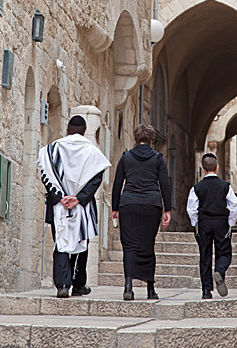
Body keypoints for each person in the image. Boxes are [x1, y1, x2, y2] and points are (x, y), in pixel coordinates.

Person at [37, 115, 111, 298]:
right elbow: (96, 178)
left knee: (60, 243)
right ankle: (78, 284)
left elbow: (45, 175)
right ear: (85, 131)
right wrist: (78, 198)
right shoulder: (92, 152)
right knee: (80, 243)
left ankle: (63, 284)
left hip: (58, 207)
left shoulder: (51, 149)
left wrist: (60, 197)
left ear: (67, 129)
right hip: (81, 207)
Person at [112, 124, 171, 301]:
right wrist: (167, 209)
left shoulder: (126, 158)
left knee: (129, 246)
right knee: (147, 245)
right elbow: (165, 185)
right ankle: (150, 289)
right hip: (151, 206)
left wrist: (115, 208)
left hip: (129, 204)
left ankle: (128, 287)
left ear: (135, 138)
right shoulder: (158, 159)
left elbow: (117, 184)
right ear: (152, 140)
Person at [186, 153, 237, 299]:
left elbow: (191, 209)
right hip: (221, 222)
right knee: (224, 252)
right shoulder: (225, 186)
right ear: (217, 168)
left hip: (204, 223)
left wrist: (195, 223)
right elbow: (235, 205)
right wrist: (230, 223)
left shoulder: (196, 188)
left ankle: (206, 290)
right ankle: (220, 271)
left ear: (203, 169)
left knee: (205, 256)